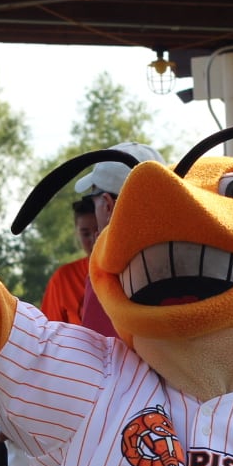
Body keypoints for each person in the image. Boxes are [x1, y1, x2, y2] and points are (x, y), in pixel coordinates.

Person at [72, 141, 162, 338]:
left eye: (94, 202)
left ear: (107, 205)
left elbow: (97, 357)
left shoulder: (108, 270)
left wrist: (99, 259)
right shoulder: (186, 251)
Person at [37, 196, 99, 326]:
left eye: (100, 231)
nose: (95, 240)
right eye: (86, 234)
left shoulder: (132, 270)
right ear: (76, 234)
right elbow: (49, 336)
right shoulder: (63, 279)